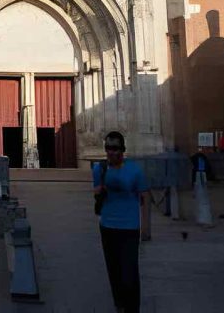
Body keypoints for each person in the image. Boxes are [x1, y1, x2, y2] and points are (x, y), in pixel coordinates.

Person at [93, 130, 147, 313]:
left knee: (130, 272)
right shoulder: (99, 169)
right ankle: (120, 304)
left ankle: (133, 308)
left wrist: (146, 230)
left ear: (123, 149)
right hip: (107, 226)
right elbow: (96, 194)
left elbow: (144, 198)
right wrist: (101, 190)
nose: (111, 152)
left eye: (115, 148)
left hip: (130, 228)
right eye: (108, 148)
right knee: (114, 270)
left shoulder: (135, 171)